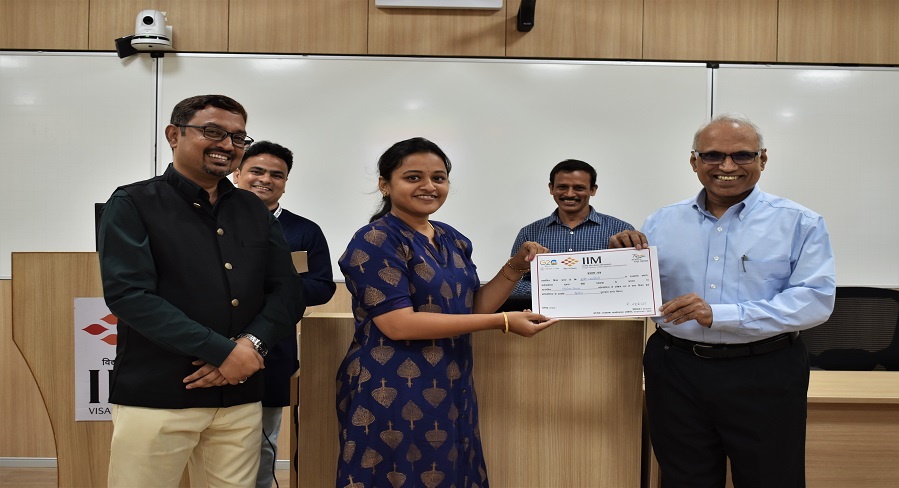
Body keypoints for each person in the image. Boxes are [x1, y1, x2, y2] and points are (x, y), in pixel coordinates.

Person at [610, 113, 835, 487]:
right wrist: (618, 263)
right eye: (713, 155)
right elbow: (640, 295)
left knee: (771, 479)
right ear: (694, 161)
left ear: (762, 159)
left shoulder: (800, 222)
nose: (727, 166)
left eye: (742, 155)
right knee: (684, 479)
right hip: (675, 369)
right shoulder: (660, 222)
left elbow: (815, 300)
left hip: (765, 370)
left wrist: (721, 314)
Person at [97, 95, 306, 488]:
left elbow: (288, 292)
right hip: (158, 395)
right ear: (173, 135)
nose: (227, 144)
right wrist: (224, 352)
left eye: (238, 137)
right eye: (212, 132)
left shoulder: (253, 209)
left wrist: (250, 346)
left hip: (239, 395)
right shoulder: (133, 202)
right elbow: (129, 295)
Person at [335, 137, 559, 487]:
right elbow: (397, 324)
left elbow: (472, 307)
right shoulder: (376, 239)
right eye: (413, 177)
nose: (429, 186)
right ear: (384, 185)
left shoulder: (452, 238)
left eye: (438, 178)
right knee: (396, 475)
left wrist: (517, 266)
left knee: (452, 472)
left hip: (451, 379)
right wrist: (503, 322)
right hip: (391, 384)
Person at [233, 140, 337, 488]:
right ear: (237, 174)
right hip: (211, 348)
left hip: (273, 351)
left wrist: (274, 286)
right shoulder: (210, 222)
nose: (266, 179)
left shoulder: (304, 231)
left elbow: (322, 287)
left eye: (276, 175)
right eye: (257, 171)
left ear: (285, 182)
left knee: (262, 444)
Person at [508, 159, 635, 299]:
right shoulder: (529, 233)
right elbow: (511, 282)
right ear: (551, 188)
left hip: (605, 311)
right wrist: (556, 290)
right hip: (545, 313)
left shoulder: (620, 231)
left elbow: (633, 280)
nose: (569, 194)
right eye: (562, 187)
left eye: (579, 188)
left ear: (593, 190)